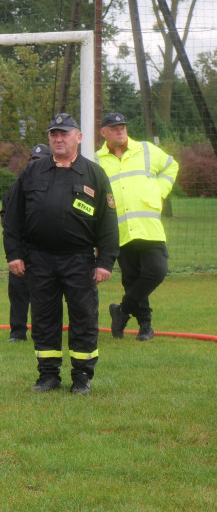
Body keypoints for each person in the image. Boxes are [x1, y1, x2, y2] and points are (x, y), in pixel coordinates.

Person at [2, 113, 119, 395]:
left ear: (78, 137)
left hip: (79, 259)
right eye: (54, 134)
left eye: (64, 134)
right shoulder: (32, 171)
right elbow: (13, 216)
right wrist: (14, 254)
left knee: (83, 317)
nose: (58, 138)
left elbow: (108, 222)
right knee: (43, 318)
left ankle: (82, 377)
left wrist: (105, 262)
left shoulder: (94, 174)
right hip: (38, 259)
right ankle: (48, 375)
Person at [96, 112, 179, 342]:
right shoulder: (96, 160)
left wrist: (159, 191)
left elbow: (171, 167)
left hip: (148, 227)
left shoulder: (146, 149)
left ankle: (121, 311)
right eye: (114, 128)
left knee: (156, 271)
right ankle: (145, 327)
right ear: (103, 132)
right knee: (131, 279)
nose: (120, 130)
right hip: (119, 231)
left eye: (122, 126)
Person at [0, 143, 51, 343]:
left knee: (45, 293)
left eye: (41, 160)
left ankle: (44, 330)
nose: (36, 164)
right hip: (23, 248)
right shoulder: (19, 184)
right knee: (18, 290)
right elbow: (6, 211)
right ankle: (17, 332)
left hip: (47, 249)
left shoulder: (56, 183)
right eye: (33, 160)